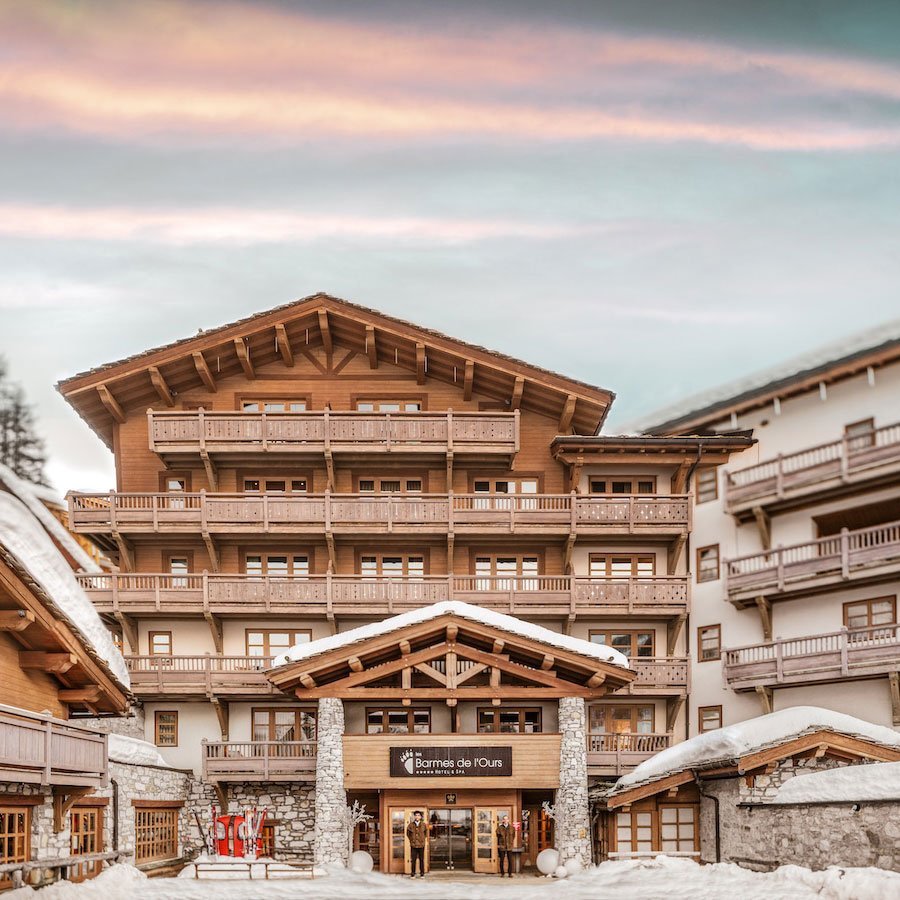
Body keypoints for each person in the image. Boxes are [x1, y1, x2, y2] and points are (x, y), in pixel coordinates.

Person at [406, 810, 428, 878]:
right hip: (413, 845)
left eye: (418, 815)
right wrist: (412, 840)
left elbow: (425, 834)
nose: (417, 817)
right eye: (416, 815)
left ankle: (422, 873)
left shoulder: (424, 825)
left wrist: (422, 840)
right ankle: (413, 874)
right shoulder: (410, 825)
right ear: (414, 816)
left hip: (421, 845)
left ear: (421, 817)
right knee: (413, 860)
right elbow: (408, 834)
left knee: (421, 859)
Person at [496, 813, 515, 877]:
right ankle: (502, 873)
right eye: (504, 819)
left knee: (510, 861)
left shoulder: (512, 828)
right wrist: (501, 843)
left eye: (507, 819)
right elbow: (498, 836)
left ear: (508, 820)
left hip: (509, 846)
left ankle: (510, 873)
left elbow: (513, 836)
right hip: (502, 846)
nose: (505, 820)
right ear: (503, 820)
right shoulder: (499, 828)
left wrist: (510, 842)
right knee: (501, 860)